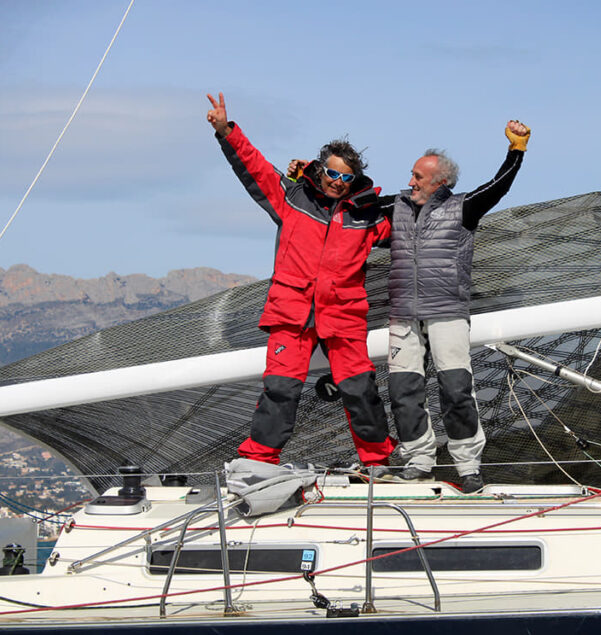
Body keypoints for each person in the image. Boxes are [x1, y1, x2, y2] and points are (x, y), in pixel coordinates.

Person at [205, 92, 394, 468]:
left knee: (361, 390)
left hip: (342, 316)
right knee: (281, 389)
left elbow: (417, 221)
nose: (338, 182)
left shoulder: (370, 216)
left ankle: (379, 463)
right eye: (332, 173)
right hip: (292, 313)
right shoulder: (292, 198)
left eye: (346, 177)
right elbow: (255, 169)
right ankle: (260, 461)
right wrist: (227, 131)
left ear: (354, 180)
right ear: (320, 169)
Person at [383, 120, 530, 493]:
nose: (411, 182)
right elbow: (347, 203)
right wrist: (303, 181)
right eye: (412, 175)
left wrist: (517, 150)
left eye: (418, 177)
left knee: (455, 388)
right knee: (403, 390)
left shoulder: (463, 208)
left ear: (440, 182)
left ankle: (467, 464)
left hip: (447, 310)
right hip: (403, 313)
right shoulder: (394, 207)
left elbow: (497, 188)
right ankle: (419, 459)